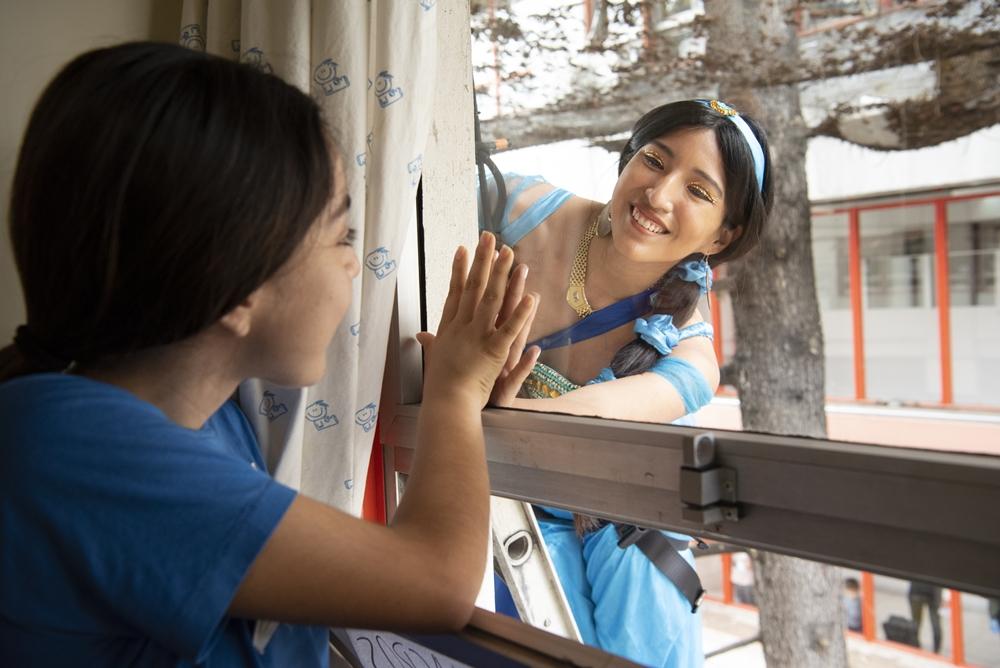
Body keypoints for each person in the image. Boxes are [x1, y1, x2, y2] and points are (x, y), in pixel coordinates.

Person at [0, 42, 538, 667]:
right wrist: (453, 392)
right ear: (232, 283)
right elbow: (437, 582)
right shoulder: (69, 447)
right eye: (343, 236)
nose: (352, 265)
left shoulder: (205, 412)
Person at [481, 100, 772, 667]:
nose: (659, 197)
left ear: (722, 236)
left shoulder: (689, 355)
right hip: (509, 508)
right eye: (655, 161)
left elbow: (579, 415)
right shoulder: (517, 209)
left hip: (619, 519)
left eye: (699, 191)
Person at [908, 580, 943, 653]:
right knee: (935, 622)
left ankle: (916, 647)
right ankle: (936, 652)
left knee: (916, 623)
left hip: (917, 590)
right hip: (933, 591)